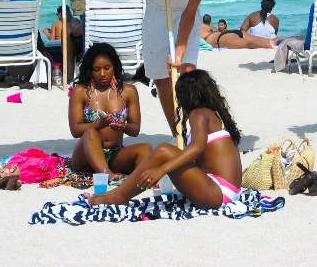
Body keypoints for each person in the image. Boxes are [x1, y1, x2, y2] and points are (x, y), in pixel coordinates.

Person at [87, 69, 242, 209]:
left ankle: (119, 196)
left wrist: (161, 170)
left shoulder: (199, 114)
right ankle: (119, 194)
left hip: (218, 193)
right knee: (167, 151)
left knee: (163, 150)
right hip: (229, 191)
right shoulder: (215, 114)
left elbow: (197, 148)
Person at [142, 0, 218, 136]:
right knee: (163, 80)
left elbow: (190, 11)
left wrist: (179, 51)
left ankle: (196, 134)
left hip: (186, 16)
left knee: (187, 74)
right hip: (157, 14)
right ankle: (177, 134)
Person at [69, 43, 151, 181]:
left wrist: (123, 126)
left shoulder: (129, 91)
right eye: (96, 69)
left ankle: (139, 178)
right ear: (90, 71)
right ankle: (106, 173)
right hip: (85, 158)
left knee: (145, 149)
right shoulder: (80, 91)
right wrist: (99, 123)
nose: (102, 74)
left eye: (107, 68)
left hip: (115, 154)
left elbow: (135, 130)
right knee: (90, 133)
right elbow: (75, 130)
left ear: (114, 67)